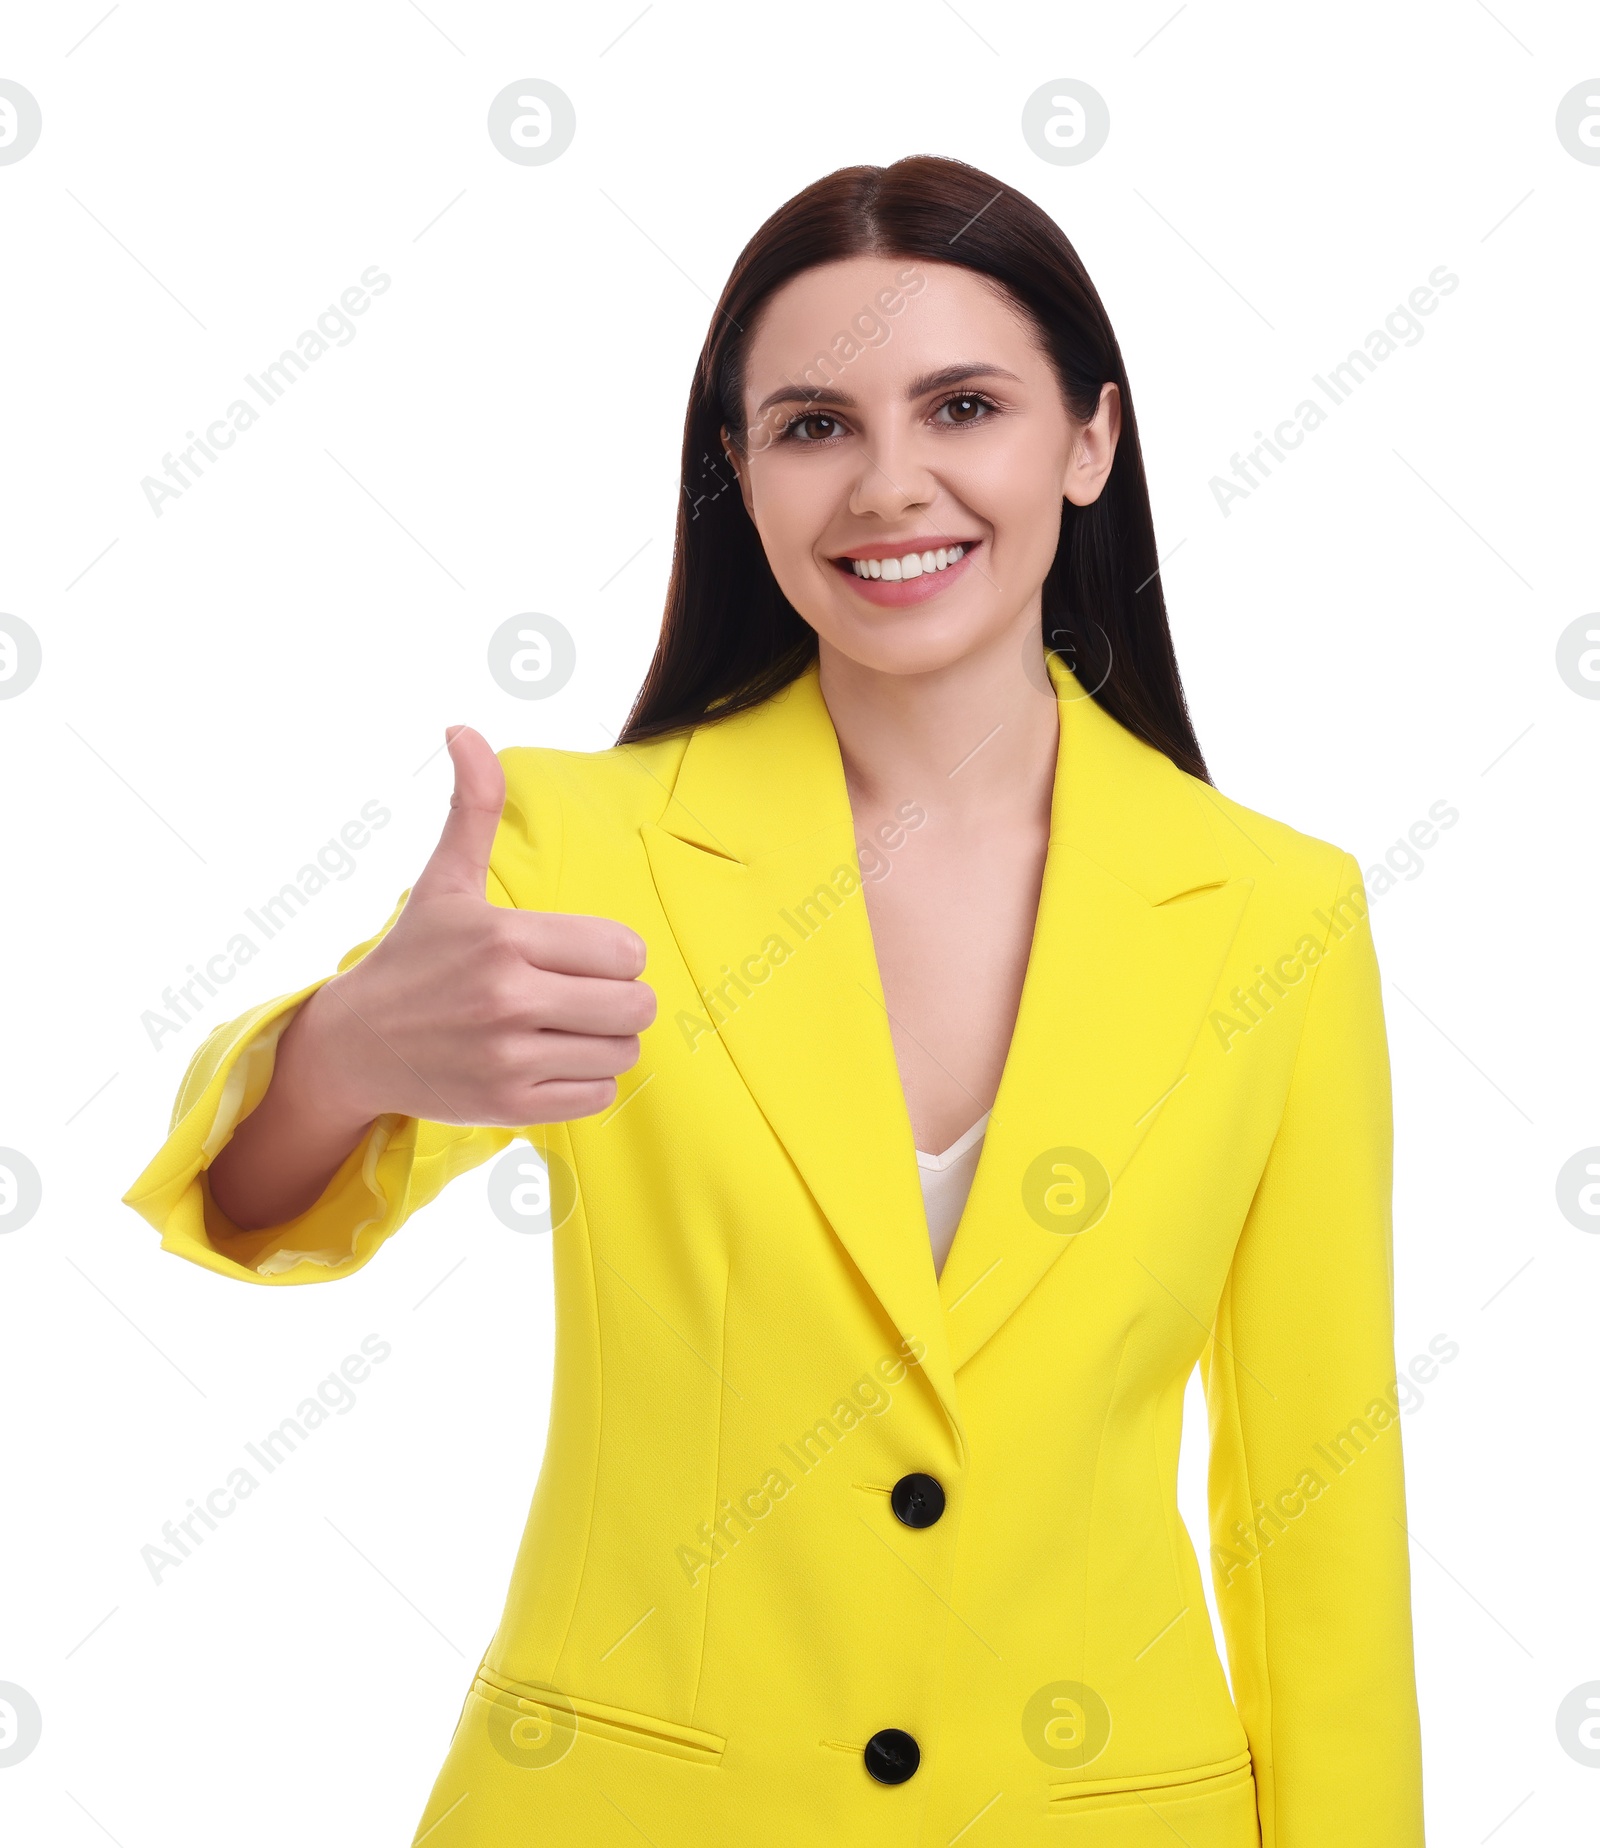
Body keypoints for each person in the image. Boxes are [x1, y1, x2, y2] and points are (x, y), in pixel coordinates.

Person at [124, 155, 1425, 1846]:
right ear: (740, 474)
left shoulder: (1277, 914)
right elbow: (253, 1206)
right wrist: (345, 1046)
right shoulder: (583, 842)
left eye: (964, 406)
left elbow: (1317, 1513)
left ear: (1089, 443)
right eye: (815, 427)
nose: (893, 484)